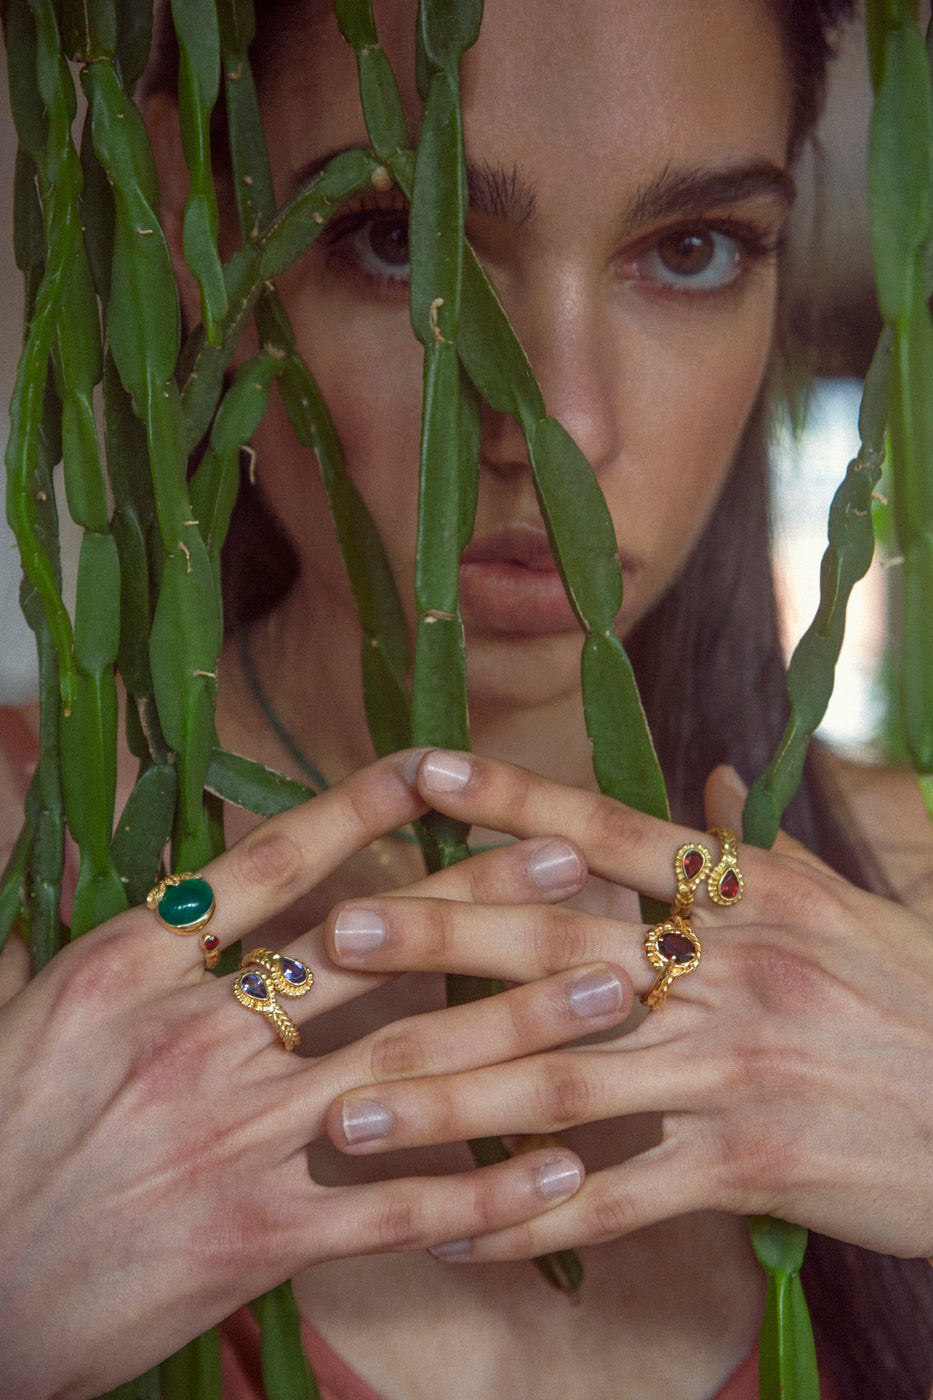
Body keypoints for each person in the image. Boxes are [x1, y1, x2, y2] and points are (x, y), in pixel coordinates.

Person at [0, 1, 931, 1397]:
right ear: (199, 231)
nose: (556, 426)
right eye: (394, 238)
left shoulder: (912, 902)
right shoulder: (27, 876)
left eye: (691, 249)